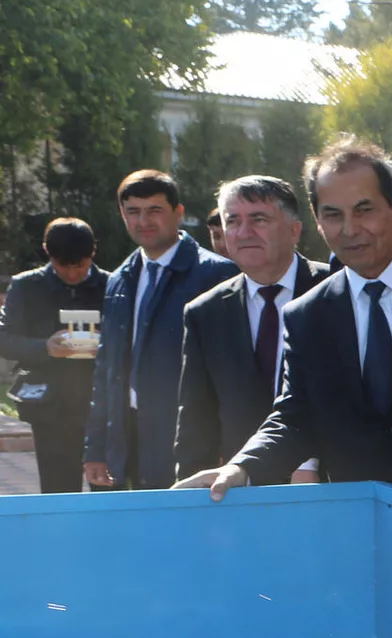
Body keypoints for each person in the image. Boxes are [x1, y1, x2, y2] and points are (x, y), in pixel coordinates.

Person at [174, 137, 392, 502]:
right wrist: (242, 468)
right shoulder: (308, 315)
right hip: (356, 518)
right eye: (333, 215)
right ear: (317, 220)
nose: (350, 229)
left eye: (364, 210)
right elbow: (295, 417)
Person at [83, 170, 237, 489]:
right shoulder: (119, 279)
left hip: (191, 437)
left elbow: (233, 371)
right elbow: (105, 370)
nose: (144, 221)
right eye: (133, 212)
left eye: (154, 210)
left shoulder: (216, 275)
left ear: (178, 213)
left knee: (186, 520)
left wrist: (229, 446)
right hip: (129, 434)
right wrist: (95, 448)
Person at [174, 176, 326, 479]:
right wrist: (192, 498)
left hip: (331, 487)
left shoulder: (334, 292)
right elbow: (196, 421)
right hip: (241, 489)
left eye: (259, 219)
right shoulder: (206, 313)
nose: (243, 233)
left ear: (294, 230)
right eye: (232, 221)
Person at [0, 218, 106, 493]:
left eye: (80, 265)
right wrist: (45, 347)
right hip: (51, 408)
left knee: (107, 490)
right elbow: (5, 338)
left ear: (93, 252)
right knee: (58, 491)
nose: (72, 274)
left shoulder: (112, 284)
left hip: (102, 405)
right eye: (62, 266)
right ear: (47, 252)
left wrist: (106, 344)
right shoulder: (26, 286)